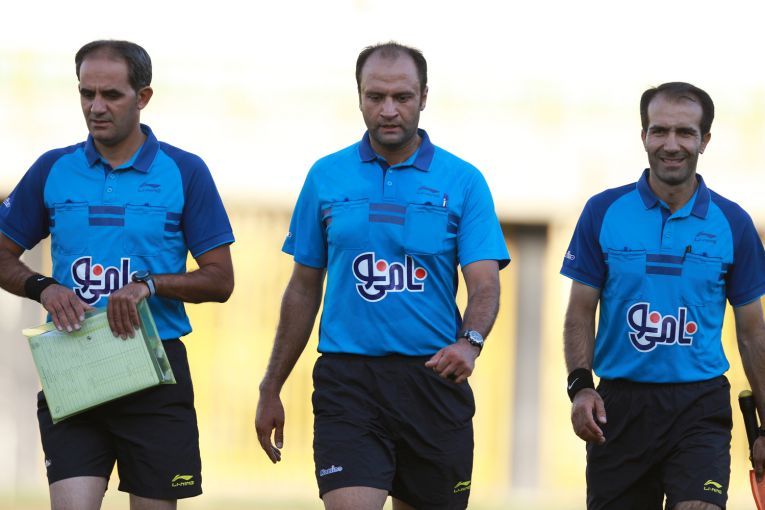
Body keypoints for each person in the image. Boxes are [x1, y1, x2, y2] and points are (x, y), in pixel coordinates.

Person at [255, 41, 509, 510]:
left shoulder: (463, 181)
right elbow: (303, 289)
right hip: (348, 382)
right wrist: (272, 384)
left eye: (402, 97)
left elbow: (486, 284)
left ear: (424, 96)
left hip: (433, 379)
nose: (388, 110)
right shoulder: (326, 177)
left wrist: (469, 343)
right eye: (376, 97)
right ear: (359, 96)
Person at [0, 40, 235, 510]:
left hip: (155, 370)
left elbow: (220, 279)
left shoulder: (185, 171)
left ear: (143, 97)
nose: (96, 106)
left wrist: (151, 285)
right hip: (74, 362)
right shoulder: (53, 168)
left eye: (111, 94)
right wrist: (43, 288)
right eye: (86, 93)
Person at [561, 82, 765, 510]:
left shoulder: (734, 223)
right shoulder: (603, 211)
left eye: (685, 132)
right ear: (644, 136)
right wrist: (580, 387)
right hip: (619, 406)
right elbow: (580, 312)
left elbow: (752, 335)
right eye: (659, 131)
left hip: (699, 405)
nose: (671, 144)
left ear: (704, 140)